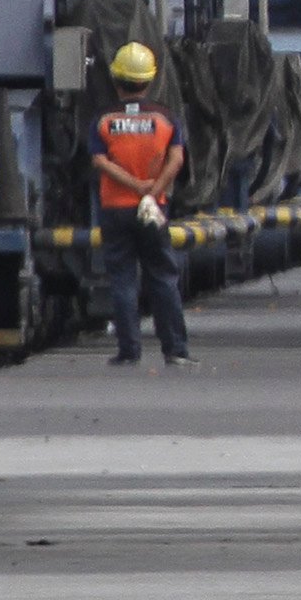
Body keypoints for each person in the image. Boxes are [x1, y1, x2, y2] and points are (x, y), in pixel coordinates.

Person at [90, 42, 190, 369]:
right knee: (162, 276)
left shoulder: (104, 120)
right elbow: (177, 159)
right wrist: (152, 191)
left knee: (122, 279)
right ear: (150, 79)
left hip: (115, 210)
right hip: (153, 209)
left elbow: (99, 161)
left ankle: (129, 351)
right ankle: (175, 349)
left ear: (116, 79)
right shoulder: (166, 118)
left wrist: (133, 186)